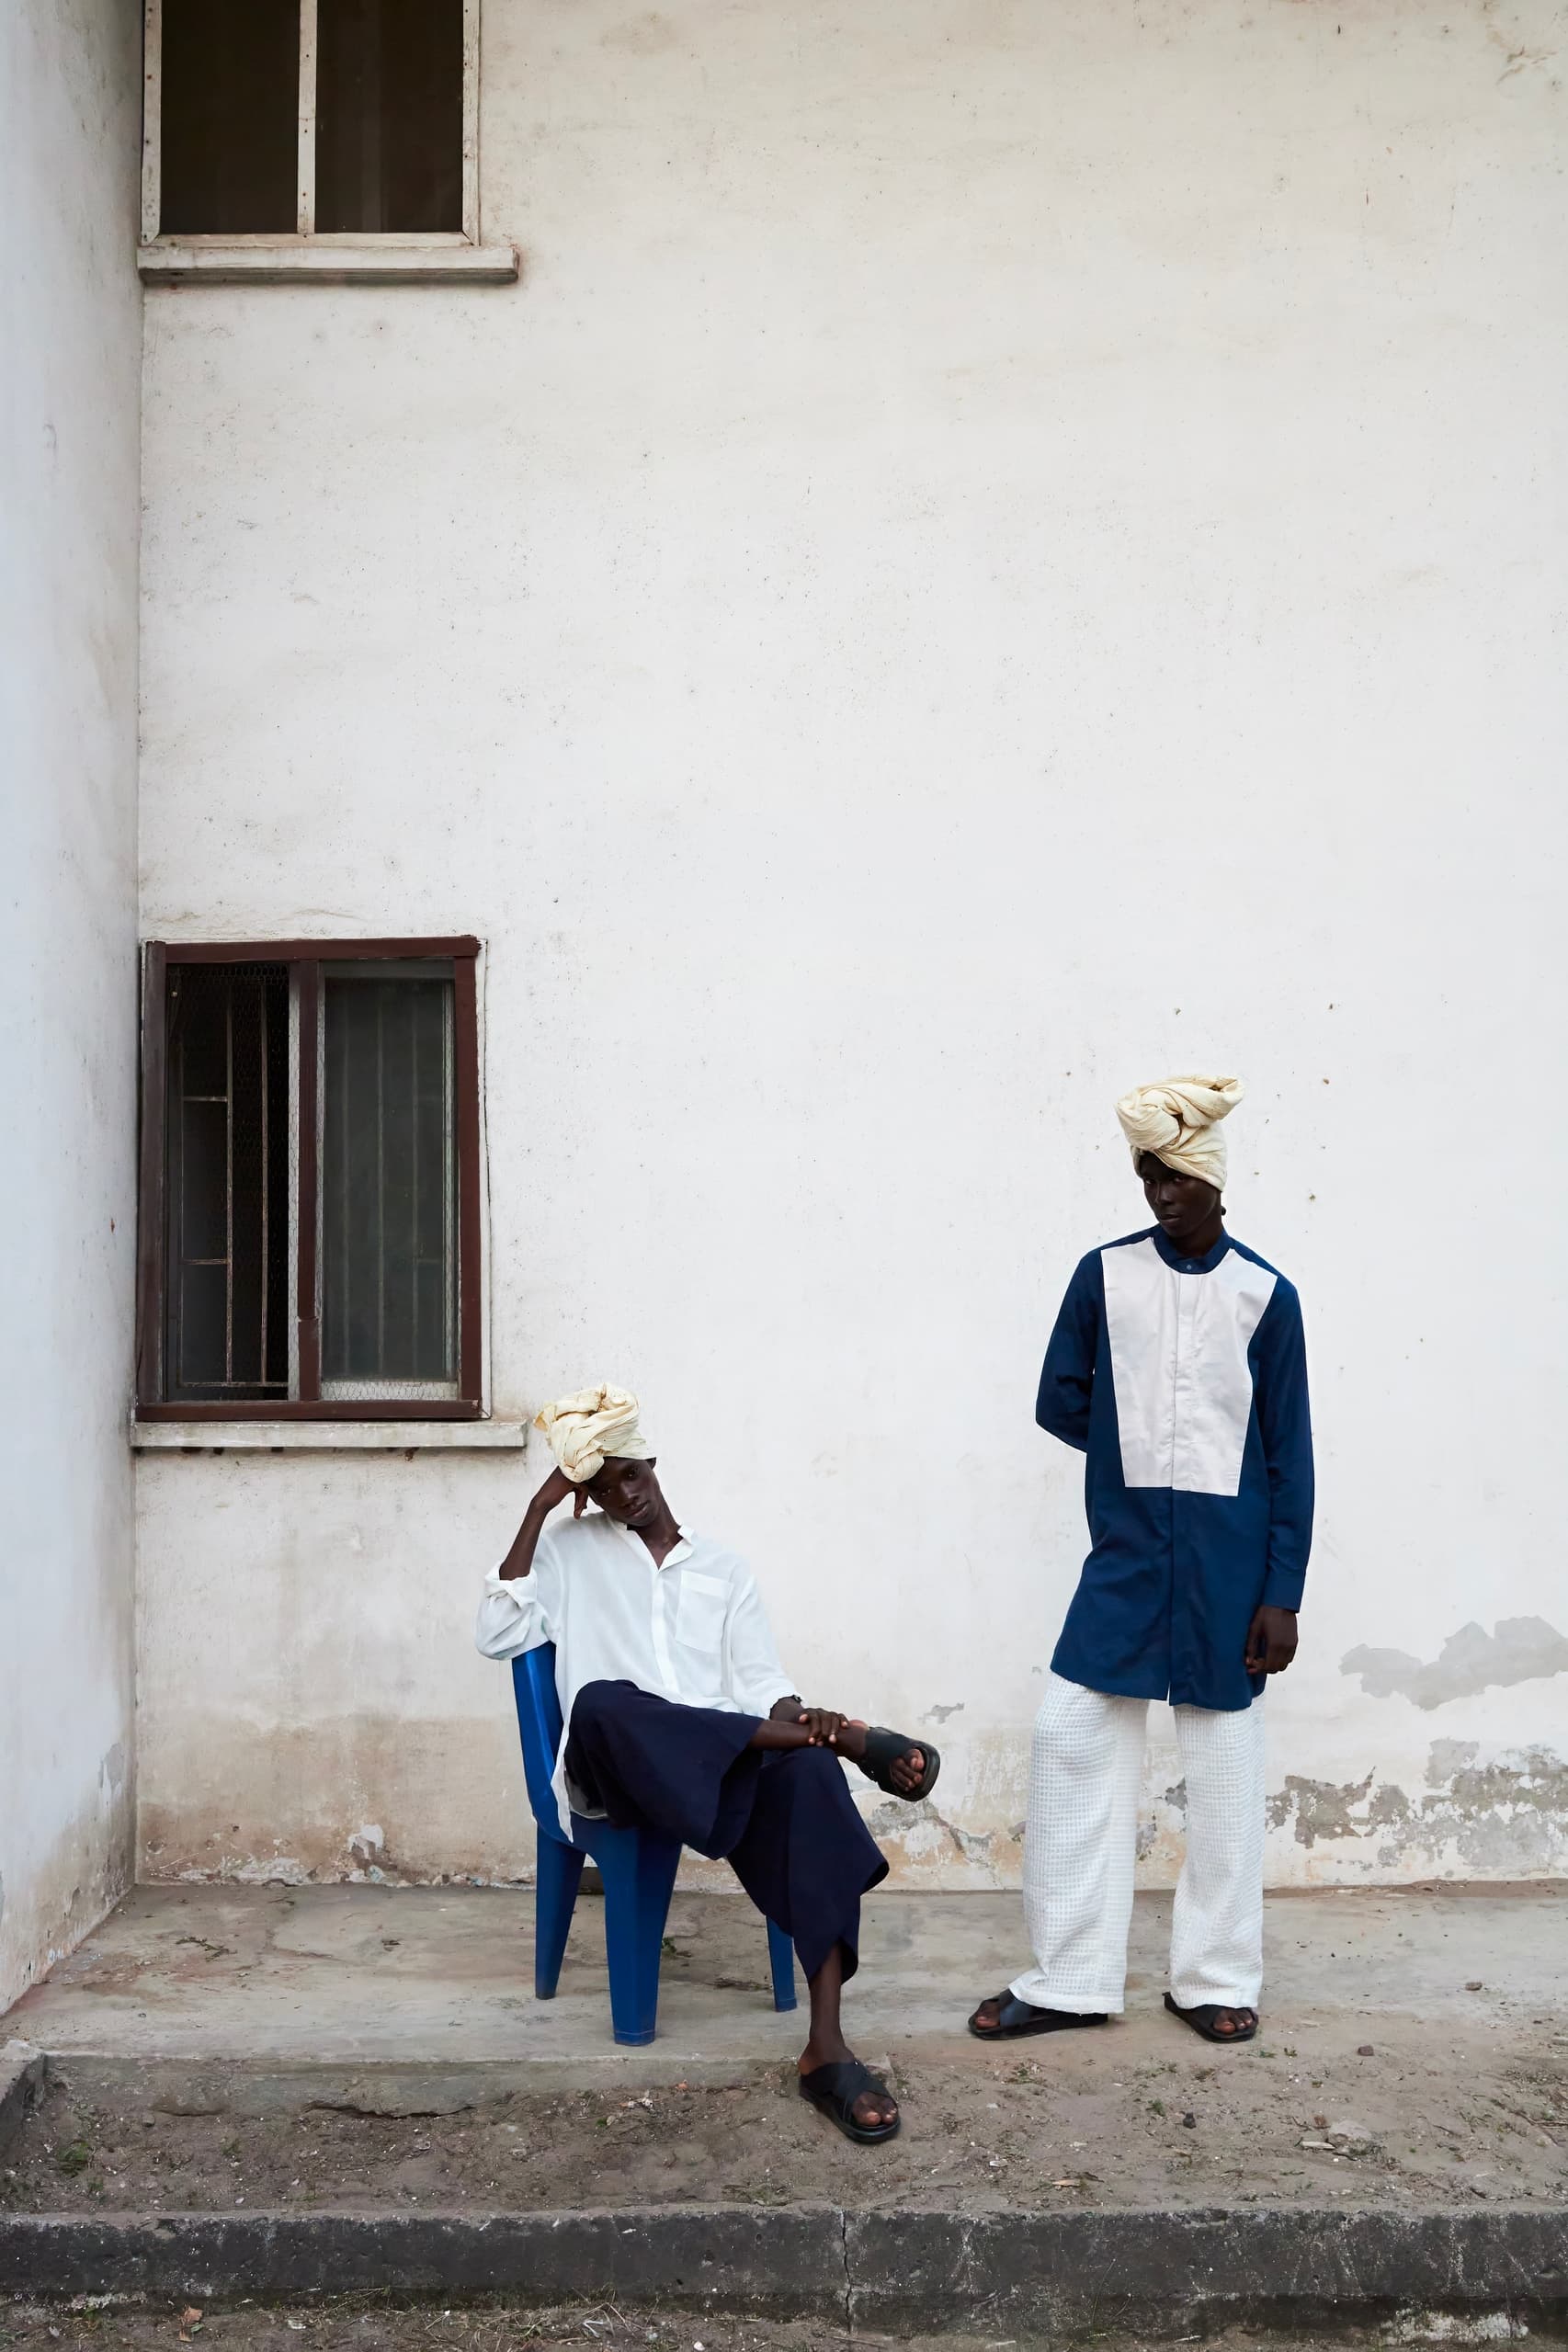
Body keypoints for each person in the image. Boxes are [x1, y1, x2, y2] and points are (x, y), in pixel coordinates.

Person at [477, 1382, 940, 2142]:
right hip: (616, 1774)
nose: (622, 1494)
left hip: (719, 1771)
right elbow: (496, 1631)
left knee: (809, 1775)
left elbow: (762, 1687)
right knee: (602, 1698)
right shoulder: (566, 1550)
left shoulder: (724, 1570)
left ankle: (826, 2048)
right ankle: (849, 1737)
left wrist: (798, 1717)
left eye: (630, 1473)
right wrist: (541, 1504)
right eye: (601, 1485)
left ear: (654, 1462)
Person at [970, 1075, 1312, 2049]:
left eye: (1175, 1178)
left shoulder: (1263, 1297)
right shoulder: (1103, 1276)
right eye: (1146, 1176)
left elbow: (1289, 1455)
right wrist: (1135, 1457)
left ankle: (1211, 1978)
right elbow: (1057, 1398)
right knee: (1068, 1738)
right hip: (1124, 1561)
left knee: (1223, 1775)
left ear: (1213, 1182)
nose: (1159, 1195)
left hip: (1228, 1573)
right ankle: (1069, 1979)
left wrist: (1278, 1594)